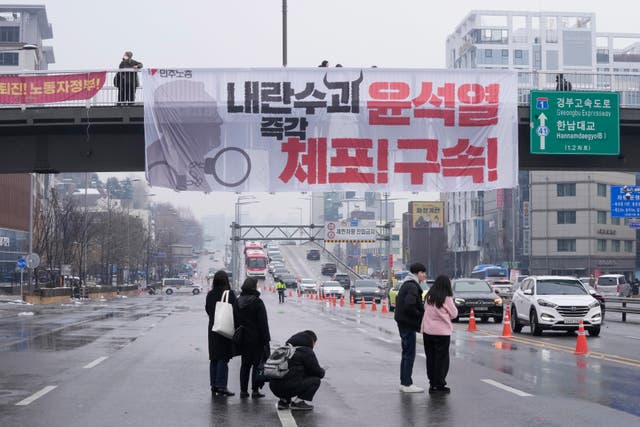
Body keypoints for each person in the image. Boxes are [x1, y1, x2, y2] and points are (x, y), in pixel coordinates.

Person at [234, 277, 271, 398]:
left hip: (243, 337)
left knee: (245, 365)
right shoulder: (257, 302)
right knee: (256, 364)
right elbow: (263, 323)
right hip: (257, 339)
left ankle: (243, 391)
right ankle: (255, 390)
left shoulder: (237, 302)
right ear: (253, 287)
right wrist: (266, 340)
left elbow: (235, 321)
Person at [269, 330, 325, 411]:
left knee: (289, 374)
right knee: (316, 380)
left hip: (274, 387)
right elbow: (318, 372)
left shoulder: (285, 348)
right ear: (312, 341)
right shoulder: (306, 351)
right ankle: (298, 403)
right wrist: (323, 371)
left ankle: (283, 402)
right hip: (289, 388)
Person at [421, 274, 458, 394]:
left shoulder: (429, 297)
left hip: (428, 332)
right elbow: (454, 314)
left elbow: (425, 309)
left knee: (430, 358)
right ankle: (440, 384)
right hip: (442, 333)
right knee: (441, 359)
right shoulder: (446, 298)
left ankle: (432, 384)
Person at [393, 262, 427, 393]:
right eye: (423, 273)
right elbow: (409, 305)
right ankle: (407, 383)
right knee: (409, 353)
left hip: (403, 322)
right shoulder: (413, 286)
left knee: (406, 353)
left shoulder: (407, 284)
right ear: (417, 273)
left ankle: (404, 382)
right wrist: (419, 316)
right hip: (407, 324)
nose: (424, 275)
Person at [205, 270, 237, 396]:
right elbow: (235, 311)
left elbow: (208, 309)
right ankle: (222, 385)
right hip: (225, 329)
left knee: (214, 357)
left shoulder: (210, 294)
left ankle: (214, 385)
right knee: (223, 358)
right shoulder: (229, 294)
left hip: (213, 328)